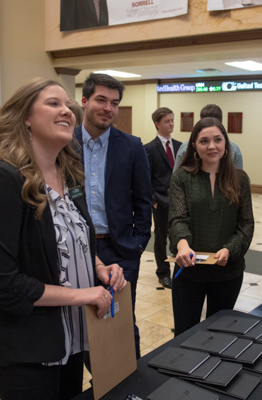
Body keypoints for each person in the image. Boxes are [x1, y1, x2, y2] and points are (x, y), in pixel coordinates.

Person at [0, 78, 126, 400]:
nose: (67, 110)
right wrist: (84, 295)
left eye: (68, 105)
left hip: (70, 340)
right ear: (25, 116)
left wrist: (97, 266)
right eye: (53, 103)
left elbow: (72, 240)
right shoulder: (1, 177)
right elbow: (2, 284)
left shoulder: (68, 175)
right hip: (25, 349)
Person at [74, 72, 152, 358]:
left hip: (120, 248)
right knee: (80, 318)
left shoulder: (131, 146)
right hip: (75, 247)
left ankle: (126, 381)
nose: (109, 108)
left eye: (115, 103)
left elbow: (144, 200)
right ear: (84, 101)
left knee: (119, 319)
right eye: (101, 100)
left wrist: (139, 243)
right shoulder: (65, 143)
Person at [169, 117, 254, 336]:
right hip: (189, 272)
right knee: (185, 334)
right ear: (194, 146)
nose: (212, 146)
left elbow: (246, 223)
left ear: (226, 144)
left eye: (218, 139)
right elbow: (178, 218)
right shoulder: (182, 177)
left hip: (228, 272)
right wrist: (182, 245)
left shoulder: (240, 179)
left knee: (219, 336)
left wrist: (229, 249)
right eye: (204, 141)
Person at [144, 107, 181, 289]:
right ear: (157, 124)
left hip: (179, 200)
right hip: (160, 200)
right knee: (160, 239)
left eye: (173, 120)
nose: (172, 123)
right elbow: (146, 177)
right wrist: (154, 200)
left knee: (180, 235)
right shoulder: (149, 148)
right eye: (167, 121)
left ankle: (180, 271)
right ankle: (163, 273)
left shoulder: (180, 146)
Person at [174, 104, 243, 171]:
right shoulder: (234, 149)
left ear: (200, 121)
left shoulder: (184, 148)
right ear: (221, 122)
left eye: (218, 139)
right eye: (204, 141)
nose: (211, 147)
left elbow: (175, 176)